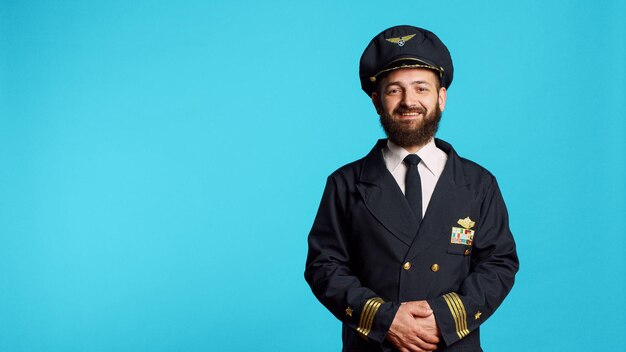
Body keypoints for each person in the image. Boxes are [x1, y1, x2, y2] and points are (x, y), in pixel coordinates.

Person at [304, 25, 519, 352]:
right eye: (394, 90)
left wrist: (444, 319)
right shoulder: (344, 184)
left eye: (421, 88)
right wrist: (385, 319)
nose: (409, 102)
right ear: (377, 101)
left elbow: (499, 263)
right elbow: (324, 267)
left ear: (441, 98)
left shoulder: (478, 184)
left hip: (451, 344)